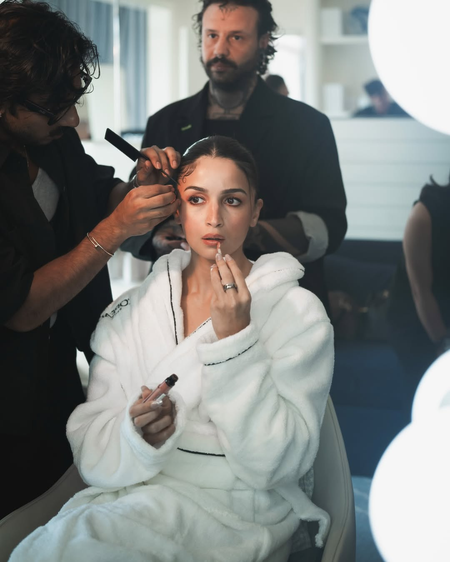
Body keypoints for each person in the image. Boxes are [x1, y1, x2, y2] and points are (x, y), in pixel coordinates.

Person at [11, 136, 334, 562]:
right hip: (132, 497)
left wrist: (236, 343)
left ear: (255, 212)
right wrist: (135, 433)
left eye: (232, 201)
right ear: (176, 210)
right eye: (197, 199)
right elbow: (91, 445)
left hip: (238, 512)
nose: (214, 218)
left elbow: (280, 463)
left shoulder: (297, 312)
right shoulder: (132, 310)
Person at [0, 0, 180, 518]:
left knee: (61, 508)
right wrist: (116, 228)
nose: (73, 119)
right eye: (55, 107)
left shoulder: (53, 142)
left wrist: (138, 187)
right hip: (7, 392)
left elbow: (97, 195)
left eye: (74, 100)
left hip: (60, 372)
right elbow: (22, 306)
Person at [125, 0, 347, 307]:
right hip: (179, 301)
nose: (220, 49)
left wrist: (243, 233)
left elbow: (329, 228)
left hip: (278, 302)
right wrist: (155, 236)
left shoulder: (308, 126)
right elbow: (129, 215)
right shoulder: (165, 121)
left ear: (263, 41)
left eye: (236, 37)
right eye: (212, 35)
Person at [387, 175, 450, 423]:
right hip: (415, 321)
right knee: (427, 399)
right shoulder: (423, 215)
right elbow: (420, 291)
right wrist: (443, 344)